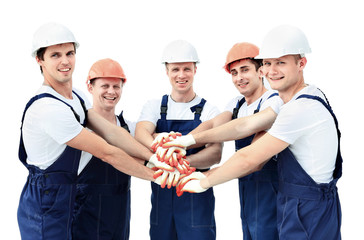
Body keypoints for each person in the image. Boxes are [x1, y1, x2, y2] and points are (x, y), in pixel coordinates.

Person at [171, 25, 343, 239]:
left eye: (281, 62)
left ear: (301, 63)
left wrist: (204, 180)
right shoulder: (297, 99)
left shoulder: (298, 108)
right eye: (268, 63)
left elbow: (249, 158)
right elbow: (238, 125)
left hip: (306, 209)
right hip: (297, 203)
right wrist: (187, 140)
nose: (272, 70)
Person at [17, 22, 171, 240]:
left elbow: (111, 131)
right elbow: (107, 152)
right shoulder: (48, 108)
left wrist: (153, 157)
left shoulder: (77, 96)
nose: (65, 61)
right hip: (44, 204)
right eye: (55, 55)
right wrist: (157, 176)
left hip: (65, 199)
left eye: (70, 53)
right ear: (39, 60)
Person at [185, 42, 282, 240]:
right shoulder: (236, 105)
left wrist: (208, 177)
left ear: (261, 70)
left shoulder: (273, 101)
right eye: (234, 73)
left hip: (271, 190)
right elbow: (213, 126)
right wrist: (179, 142)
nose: (239, 78)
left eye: (245, 70)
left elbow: (253, 159)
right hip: (246, 189)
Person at [135, 40, 222, 240]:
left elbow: (215, 154)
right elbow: (141, 134)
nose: (181, 75)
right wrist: (158, 142)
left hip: (196, 199)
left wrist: (178, 164)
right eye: (175, 69)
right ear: (167, 71)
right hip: (161, 201)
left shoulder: (210, 110)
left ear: (195, 70)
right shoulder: (154, 106)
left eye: (186, 69)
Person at [72, 58, 133, 239]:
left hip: (119, 218)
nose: (111, 92)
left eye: (116, 86)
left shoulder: (129, 128)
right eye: (104, 86)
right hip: (85, 217)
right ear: (90, 87)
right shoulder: (79, 130)